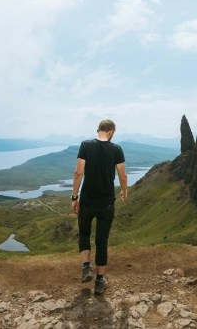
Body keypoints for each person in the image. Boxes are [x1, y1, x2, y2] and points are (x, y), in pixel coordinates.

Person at [71, 119, 128, 295]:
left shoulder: (85, 145)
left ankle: (86, 267)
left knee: (84, 233)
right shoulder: (116, 149)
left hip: (87, 201)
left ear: (99, 130)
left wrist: (74, 197)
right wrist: (125, 192)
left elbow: (78, 172)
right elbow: (123, 175)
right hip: (106, 203)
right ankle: (99, 282)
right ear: (110, 131)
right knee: (102, 241)